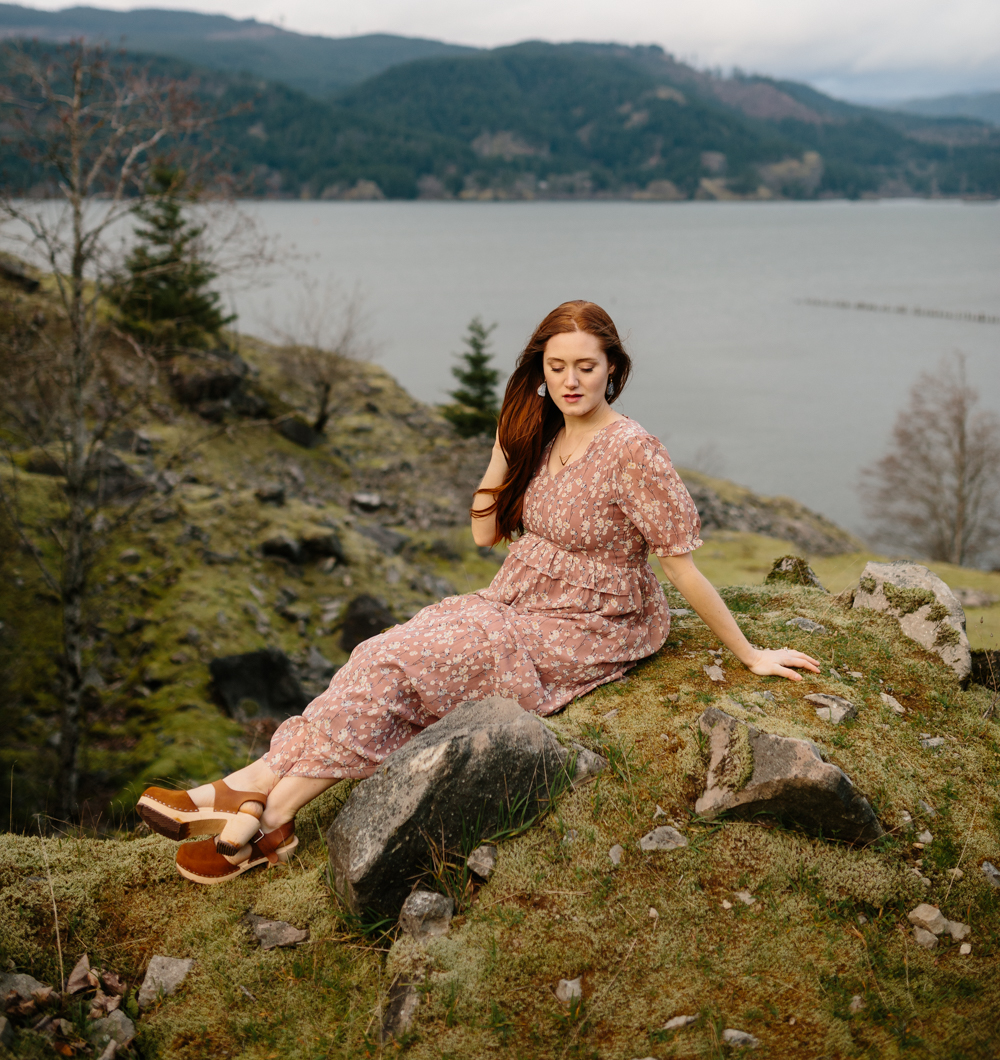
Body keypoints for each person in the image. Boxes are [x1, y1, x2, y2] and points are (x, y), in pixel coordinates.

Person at [138, 299, 820, 884]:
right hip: (520, 597)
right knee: (383, 653)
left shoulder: (634, 450)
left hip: (596, 621)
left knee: (408, 664)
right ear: (539, 371)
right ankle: (259, 802)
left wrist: (750, 653)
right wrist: (503, 444)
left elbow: (682, 566)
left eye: (586, 366)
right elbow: (484, 535)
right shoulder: (544, 433)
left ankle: (257, 807)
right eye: (557, 368)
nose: (571, 381)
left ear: (613, 366)